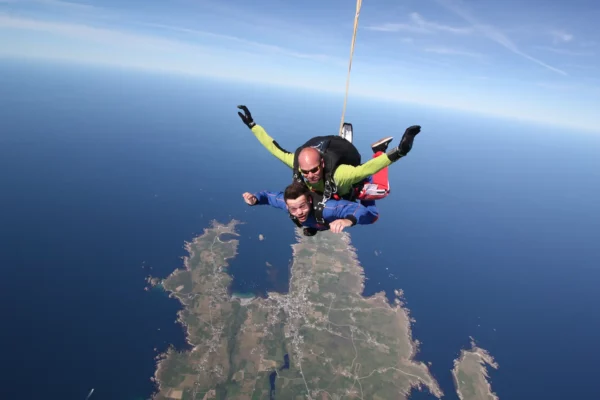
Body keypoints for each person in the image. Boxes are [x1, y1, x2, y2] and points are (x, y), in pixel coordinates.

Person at [236, 105, 421, 202]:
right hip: (329, 186)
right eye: (305, 171)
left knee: (383, 191)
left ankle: (378, 150)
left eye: (314, 170)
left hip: (345, 186)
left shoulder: (340, 176)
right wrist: (253, 126)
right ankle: (353, 147)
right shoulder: (297, 165)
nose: (309, 175)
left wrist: (400, 151)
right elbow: (273, 148)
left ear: (322, 164)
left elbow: (368, 169)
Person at [242, 181, 379, 236]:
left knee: (372, 217)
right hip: (316, 223)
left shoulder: (328, 209)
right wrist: (255, 200)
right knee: (309, 225)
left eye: (302, 206)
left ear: (309, 200)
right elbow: (268, 196)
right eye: (293, 209)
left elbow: (358, 210)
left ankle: (365, 182)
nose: (299, 212)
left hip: (332, 211)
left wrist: (347, 221)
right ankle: (312, 228)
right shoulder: (287, 203)